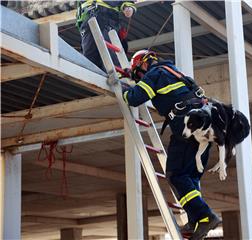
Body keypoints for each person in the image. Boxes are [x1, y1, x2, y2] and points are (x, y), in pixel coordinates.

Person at [122, 50, 222, 240]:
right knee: (190, 177)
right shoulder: (175, 72)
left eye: (139, 74)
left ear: (144, 64)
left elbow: (135, 98)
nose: (140, 78)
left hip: (187, 130)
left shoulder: (155, 74)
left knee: (176, 175)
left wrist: (123, 90)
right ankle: (195, 220)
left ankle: (205, 216)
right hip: (204, 130)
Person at [76, 0, 136, 70]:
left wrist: (128, 6)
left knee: (108, 50)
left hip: (107, 17)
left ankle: (112, 71)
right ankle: (92, 72)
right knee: (89, 51)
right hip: (88, 18)